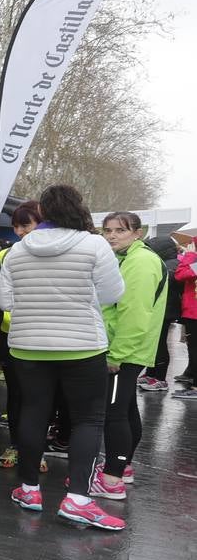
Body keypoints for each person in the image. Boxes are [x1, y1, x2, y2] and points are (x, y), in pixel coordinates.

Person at [0, 184, 126, 530]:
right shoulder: (94, 244)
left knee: (33, 413)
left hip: (27, 345)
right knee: (87, 419)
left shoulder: (18, 250)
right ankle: (78, 499)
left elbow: (4, 302)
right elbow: (113, 292)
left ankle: (29, 490)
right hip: (82, 344)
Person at [92, 211, 166, 499]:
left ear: (138, 232)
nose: (111, 236)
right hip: (129, 349)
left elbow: (135, 314)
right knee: (124, 409)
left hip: (125, 351)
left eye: (120, 230)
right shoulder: (129, 258)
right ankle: (123, 468)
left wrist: (116, 354)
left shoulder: (140, 262)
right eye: (107, 230)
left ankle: (111, 479)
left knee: (114, 413)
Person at [0, 201, 43, 473]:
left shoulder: (56, 253)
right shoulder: (5, 255)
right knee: (16, 394)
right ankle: (15, 444)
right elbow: (1, 297)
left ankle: (36, 449)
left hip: (45, 337)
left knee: (40, 396)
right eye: (17, 225)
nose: (21, 231)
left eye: (27, 224)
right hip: (10, 335)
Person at [138, 233, 180, 392]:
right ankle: (151, 373)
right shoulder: (163, 262)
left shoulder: (171, 264)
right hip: (160, 309)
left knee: (160, 344)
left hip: (166, 310)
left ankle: (160, 378)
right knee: (154, 343)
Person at [171, 229, 197, 399]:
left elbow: (180, 275)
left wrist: (189, 256)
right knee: (193, 348)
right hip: (192, 311)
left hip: (194, 312)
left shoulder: (193, 260)